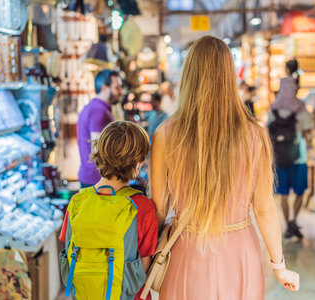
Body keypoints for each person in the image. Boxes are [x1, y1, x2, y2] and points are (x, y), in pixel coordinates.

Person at [150, 36, 299, 300]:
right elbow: (264, 208)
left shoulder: (166, 134)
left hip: (186, 249)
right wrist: (279, 266)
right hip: (241, 251)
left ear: (189, 76)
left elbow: (159, 209)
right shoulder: (254, 135)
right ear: (229, 77)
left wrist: (147, 258)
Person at [59, 121, 158, 300]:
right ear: (140, 163)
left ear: (99, 155)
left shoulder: (77, 202)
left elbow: (68, 251)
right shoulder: (142, 207)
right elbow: (144, 266)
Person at [268, 59, 313, 239]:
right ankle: (294, 220)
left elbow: (267, 129)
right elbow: (308, 132)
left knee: (283, 194)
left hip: (279, 157)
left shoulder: (274, 108)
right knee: (300, 191)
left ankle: (287, 225)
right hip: (298, 156)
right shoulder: (300, 108)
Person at [77, 70, 123, 188]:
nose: (120, 92)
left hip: (92, 177)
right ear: (104, 88)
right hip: (98, 180)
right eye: (116, 88)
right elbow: (98, 150)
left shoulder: (93, 107)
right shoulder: (99, 111)